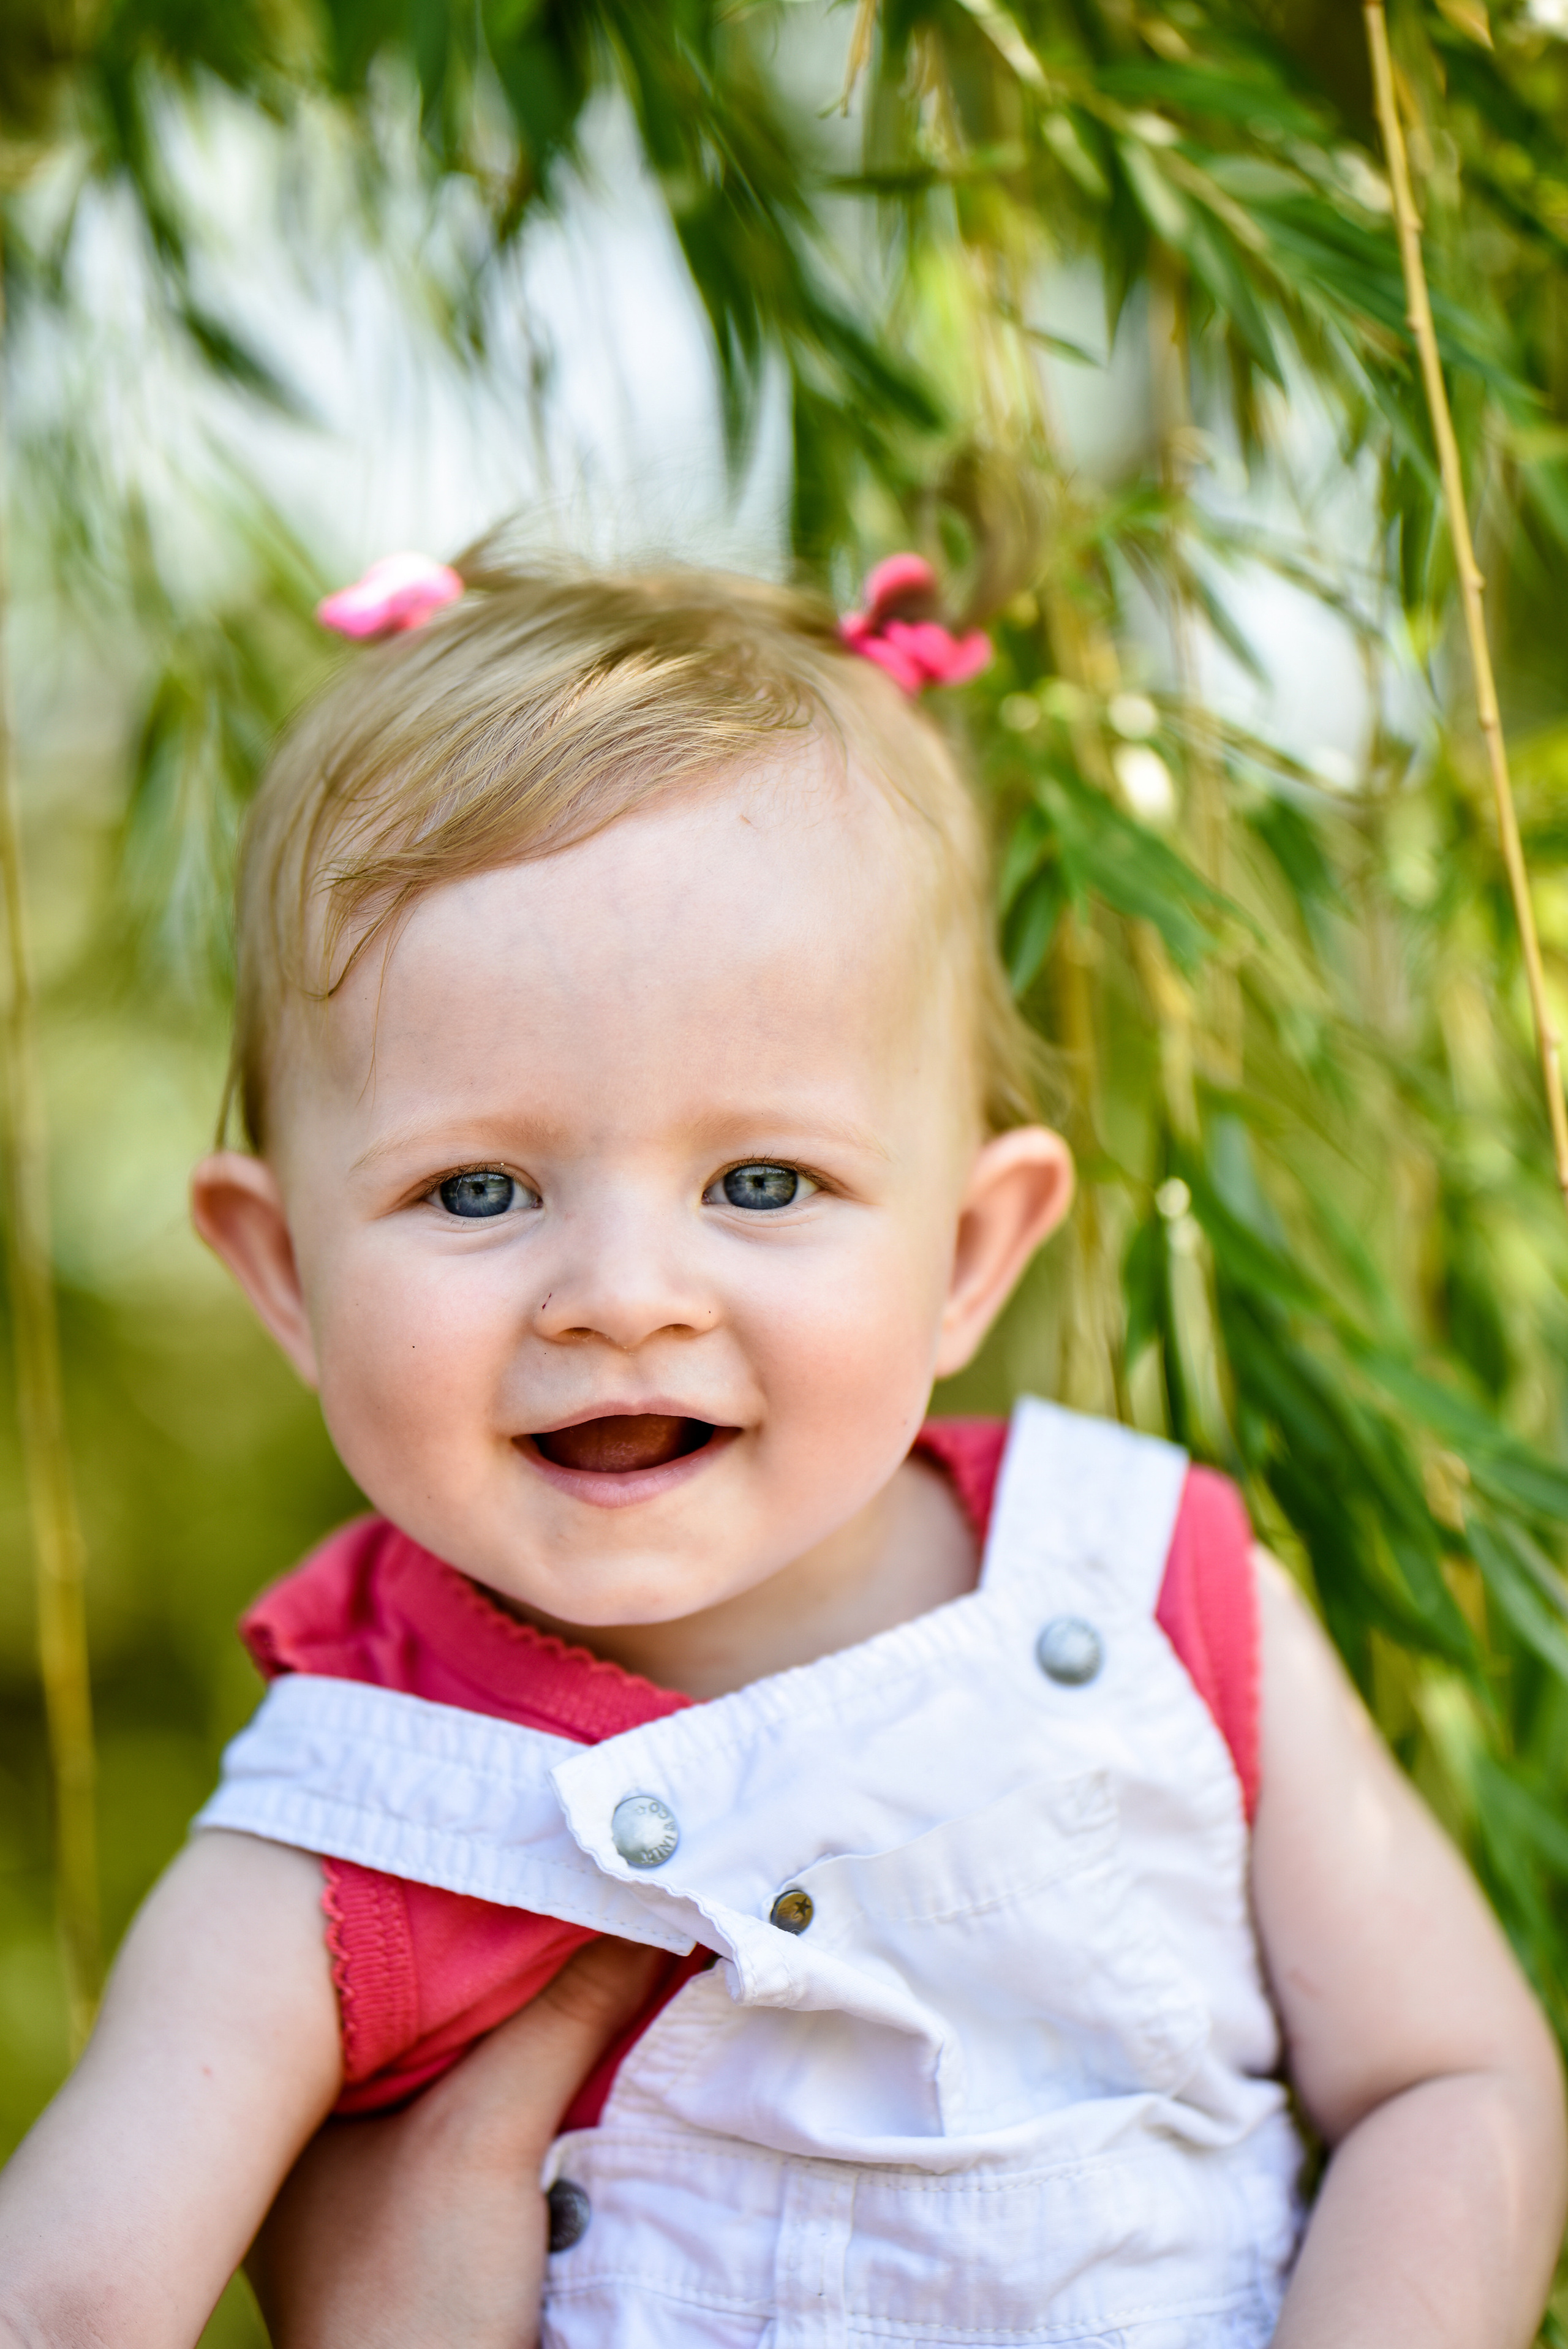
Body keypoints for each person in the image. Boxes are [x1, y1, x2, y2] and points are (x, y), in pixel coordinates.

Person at [0, 548, 1562, 2349]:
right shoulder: (356, 1804)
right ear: (285, 1273)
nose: (622, 1295)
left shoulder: (1146, 1593)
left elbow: (1453, 2083)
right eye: (478, 1189)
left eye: (760, 1181)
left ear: (968, 1254)